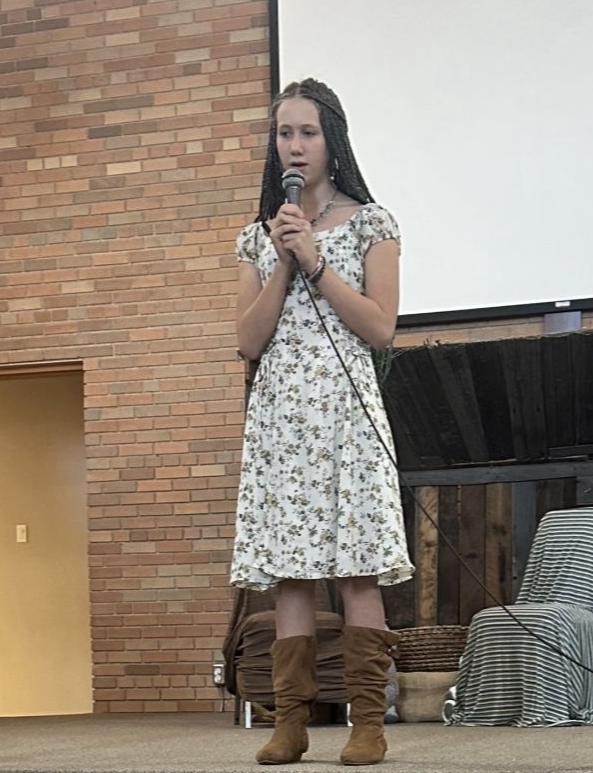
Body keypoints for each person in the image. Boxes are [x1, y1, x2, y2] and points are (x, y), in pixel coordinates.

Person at [231, 78, 413, 766]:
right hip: (281, 420)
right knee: (291, 576)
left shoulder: (372, 223)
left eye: (307, 132)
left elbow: (380, 327)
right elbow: (248, 342)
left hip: (345, 416)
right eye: (285, 133)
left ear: (331, 140)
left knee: (358, 570)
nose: (296, 145)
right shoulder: (257, 237)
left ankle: (368, 723)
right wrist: (282, 260)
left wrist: (317, 260)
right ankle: (291, 721)